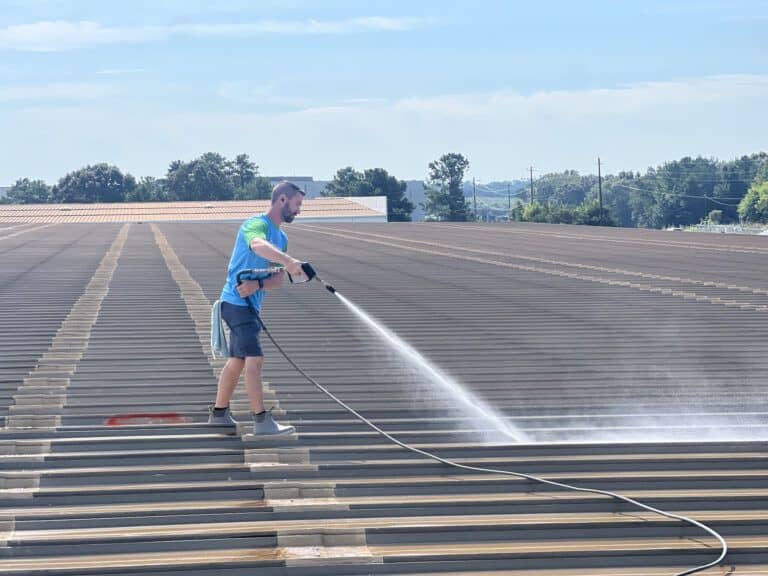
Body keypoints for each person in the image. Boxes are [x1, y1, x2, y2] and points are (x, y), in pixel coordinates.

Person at [208, 181, 307, 435]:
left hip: (246, 305)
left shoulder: (282, 238)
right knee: (255, 358)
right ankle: (262, 420)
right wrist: (288, 260)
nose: (298, 210)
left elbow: (276, 279)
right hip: (235, 302)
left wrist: (258, 284)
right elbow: (257, 246)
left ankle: (219, 414)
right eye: (296, 205)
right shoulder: (255, 225)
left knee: (237, 361)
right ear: (282, 200)